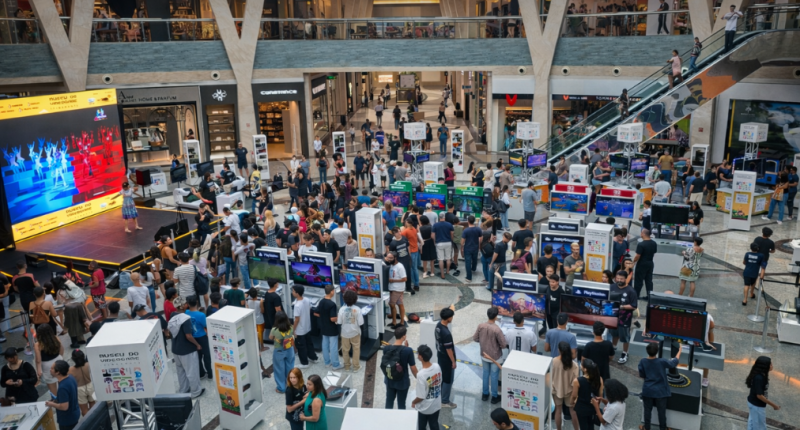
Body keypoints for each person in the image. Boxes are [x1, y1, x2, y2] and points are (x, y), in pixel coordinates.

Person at [639, 342, 681, 430]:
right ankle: (663, 428)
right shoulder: (662, 361)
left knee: (647, 411)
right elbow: (673, 363)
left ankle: (647, 427)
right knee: (661, 412)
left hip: (648, 391)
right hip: (661, 392)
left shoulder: (642, 361)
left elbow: (642, 375)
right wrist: (679, 350)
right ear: (657, 352)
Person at [168, 296, 204, 398]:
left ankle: (183, 390)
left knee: (181, 372)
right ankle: (196, 392)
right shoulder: (185, 319)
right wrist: (197, 344)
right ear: (184, 305)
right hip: (187, 350)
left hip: (175, 349)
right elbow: (188, 335)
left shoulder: (172, 315)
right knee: (191, 371)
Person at [474, 307, 508, 404]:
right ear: (496, 316)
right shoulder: (497, 330)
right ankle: (494, 396)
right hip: (495, 357)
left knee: (485, 374)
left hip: (484, 355)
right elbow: (503, 345)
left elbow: (475, 338)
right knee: (494, 376)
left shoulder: (481, 326)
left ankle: (485, 394)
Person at [383, 326, 418, 409]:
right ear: (404, 336)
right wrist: (420, 379)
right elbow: (413, 368)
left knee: (389, 401)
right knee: (401, 404)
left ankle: (387, 417)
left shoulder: (386, 348)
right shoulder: (408, 350)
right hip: (402, 382)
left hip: (390, 380)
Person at [608, 271, 637, 364]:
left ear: (626, 279)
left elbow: (634, 306)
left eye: (621, 279)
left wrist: (621, 307)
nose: (619, 280)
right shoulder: (611, 287)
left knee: (625, 336)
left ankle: (625, 352)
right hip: (612, 316)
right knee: (614, 333)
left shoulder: (631, 291)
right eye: (618, 278)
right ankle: (614, 346)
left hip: (625, 318)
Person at [411, 344, 442, 430]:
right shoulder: (437, 366)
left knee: (421, 426)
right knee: (434, 424)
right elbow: (440, 382)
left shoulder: (421, 375)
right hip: (436, 404)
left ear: (420, 357)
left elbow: (421, 396)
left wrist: (413, 402)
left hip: (425, 408)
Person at [45, 360, 81, 430]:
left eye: (52, 368)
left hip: (67, 420)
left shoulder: (63, 387)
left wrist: (51, 404)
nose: (50, 370)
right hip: (74, 414)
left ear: (58, 372)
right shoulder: (70, 377)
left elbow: (64, 407)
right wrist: (57, 400)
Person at [746, 356, 780, 430]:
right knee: (760, 427)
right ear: (765, 366)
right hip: (757, 406)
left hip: (753, 403)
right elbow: (759, 396)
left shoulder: (759, 375)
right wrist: (774, 405)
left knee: (752, 423)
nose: (772, 366)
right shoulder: (759, 378)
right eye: (770, 364)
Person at [551, 341, 579, 430]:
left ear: (559, 350)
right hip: (570, 391)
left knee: (558, 411)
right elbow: (576, 381)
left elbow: (550, 376)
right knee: (573, 412)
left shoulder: (553, 361)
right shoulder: (574, 365)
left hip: (557, 390)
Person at [184, 295, 212, 380]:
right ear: (197, 302)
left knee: (197, 357)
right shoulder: (201, 315)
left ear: (188, 304)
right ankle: (210, 374)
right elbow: (205, 325)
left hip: (193, 338)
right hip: (202, 337)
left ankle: (201, 373)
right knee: (207, 356)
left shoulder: (186, 313)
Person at [571, 358, 604, 430]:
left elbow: (574, 395)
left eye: (582, 365)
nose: (580, 365)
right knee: (591, 425)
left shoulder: (578, 381)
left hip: (582, 407)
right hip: (592, 406)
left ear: (585, 369)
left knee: (583, 426)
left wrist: (572, 403)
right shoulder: (599, 379)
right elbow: (600, 395)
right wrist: (597, 405)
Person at [435, 308, 457, 409]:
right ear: (448, 318)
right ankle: (445, 401)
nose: (452, 318)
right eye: (451, 317)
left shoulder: (438, 326)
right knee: (448, 379)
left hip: (440, 355)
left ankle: (441, 397)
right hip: (446, 359)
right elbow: (449, 349)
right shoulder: (446, 333)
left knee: (443, 378)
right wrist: (453, 361)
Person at [292, 286, 318, 368]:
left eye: (293, 291)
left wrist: (293, 329)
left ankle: (304, 363)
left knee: (301, 346)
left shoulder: (297, 305)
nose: (292, 292)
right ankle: (313, 358)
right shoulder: (307, 299)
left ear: (297, 293)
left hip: (300, 329)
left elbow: (296, 319)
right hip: (307, 327)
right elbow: (309, 310)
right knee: (309, 343)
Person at [34, 323, 63, 396]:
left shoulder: (38, 344)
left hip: (47, 365)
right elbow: (62, 349)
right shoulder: (56, 338)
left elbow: (38, 360)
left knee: (52, 385)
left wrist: (39, 371)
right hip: (58, 360)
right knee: (61, 381)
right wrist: (60, 358)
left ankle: (56, 399)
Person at [338, 290, 363, 372]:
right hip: (355, 332)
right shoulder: (357, 309)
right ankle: (356, 367)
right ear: (355, 299)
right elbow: (361, 322)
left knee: (345, 350)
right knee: (356, 349)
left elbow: (339, 322)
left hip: (344, 333)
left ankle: (347, 366)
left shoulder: (341, 309)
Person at [68, 349, 95, 416]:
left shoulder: (70, 370)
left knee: (84, 410)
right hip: (90, 386)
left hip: (79, 389)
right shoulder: (88, 365)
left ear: (73, 359)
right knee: (93, 406)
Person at [633, 229, 657, 299]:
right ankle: (649, 296)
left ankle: (636, 295)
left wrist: (633, 262)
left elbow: (637, 255)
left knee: (638, 280)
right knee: (649, 280)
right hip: (650, 263)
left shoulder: (641, 244)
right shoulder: (654, 243)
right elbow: (654, 252)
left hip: (642, 263)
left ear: (643, 234)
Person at [386, 252, 408, 328]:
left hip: (397, 288)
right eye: (387, 258)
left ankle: (395, 322)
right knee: (400, 304)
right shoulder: (391, 265)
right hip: (393, 288)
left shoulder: (400, 267)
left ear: (395, 258)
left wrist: (393, 280)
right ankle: (400, 322)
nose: (388, 259)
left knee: (392, 304)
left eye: (390, 258)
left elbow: (405, 278)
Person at [432, 212, 454, 279]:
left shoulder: (435, 225)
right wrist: (451, 241)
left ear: (439, 217)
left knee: (440, 259)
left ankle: (442, 274)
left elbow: (432, 235)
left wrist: (434, 242)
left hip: (439, 243)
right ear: (445, 217)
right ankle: (447, 271)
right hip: (448, 242)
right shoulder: (449, 224)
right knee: (448, 258)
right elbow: (452, 234)